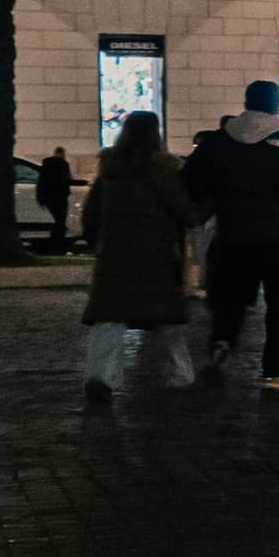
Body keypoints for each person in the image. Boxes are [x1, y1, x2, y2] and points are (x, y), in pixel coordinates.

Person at [184, 80, 279, 392]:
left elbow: (192, 184)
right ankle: (274, 370)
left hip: (232, 234)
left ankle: (223, 340)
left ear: (246, 103)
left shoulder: (216, 143)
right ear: (277, 106)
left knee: (229, 300)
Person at [79, 112, 199, 402]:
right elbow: (183, 211)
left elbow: (91, 215)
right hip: (157, 256)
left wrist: (101, 245)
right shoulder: (164, 169)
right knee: (168, 321)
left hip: (114, 258)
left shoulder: (110, 168)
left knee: (108, 320)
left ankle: (100, 377)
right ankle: (180, 376)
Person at [34, 145, 74, 254]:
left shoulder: (47, 163)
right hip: (60, 196)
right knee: (60, 222)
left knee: (57, 221)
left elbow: (41, 181)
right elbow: (68, 179)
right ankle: (58, 246)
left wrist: (40, 197)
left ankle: (55, 245)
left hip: (50, 197)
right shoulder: (64, 164)